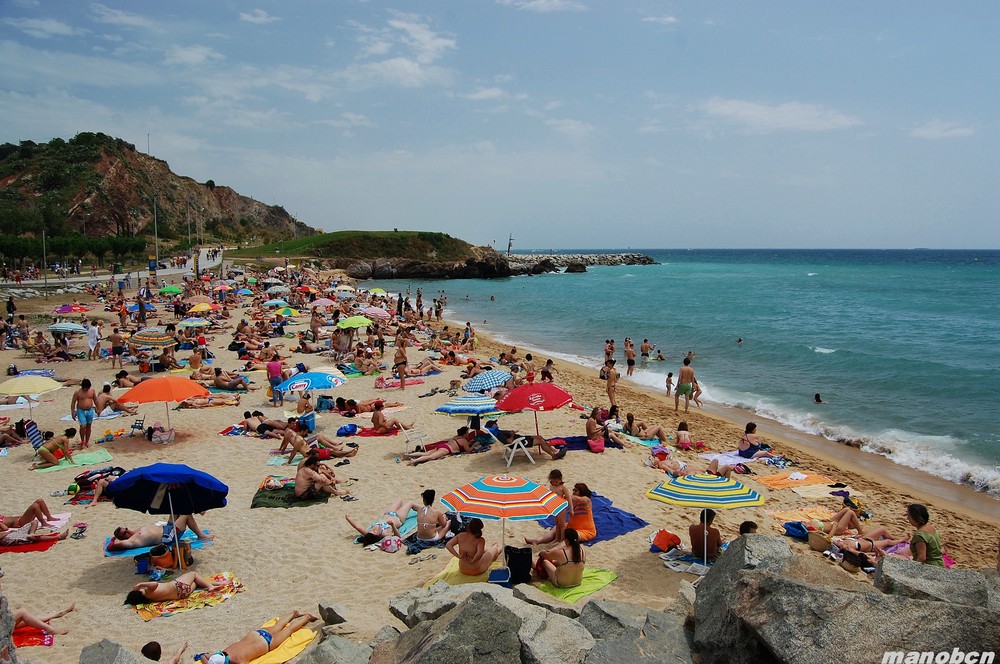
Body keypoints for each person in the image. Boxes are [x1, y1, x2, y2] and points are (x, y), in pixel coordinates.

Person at [195, 611, 320, 664]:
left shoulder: (238, 661)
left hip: (266, 643)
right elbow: (204, 656)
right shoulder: (224, 651)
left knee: (289, 630)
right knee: (278, 626)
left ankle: (307, 617)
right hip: (255, 634)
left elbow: (203, 657)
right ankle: (294, 613)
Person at [108, 515, 211, 551]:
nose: (128, 531)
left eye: (126, 528)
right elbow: (113, 545)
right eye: (125, 533)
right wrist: (115, 539)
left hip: (167, 528)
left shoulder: (135, 532)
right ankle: (201, 535)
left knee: (177, 510)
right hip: (168, 538)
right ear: (123, 538)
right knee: (185, 515)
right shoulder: (132, 541)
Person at [525, 470, 572, 546]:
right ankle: (557, 538)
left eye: (556, 482)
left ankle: (562, 540)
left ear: (560, 480)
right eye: (553, 481)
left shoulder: (563, 487)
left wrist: (572, 509)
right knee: (557, 523)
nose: (554, 483)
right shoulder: (552, 486)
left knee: (562, 524)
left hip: (562, 506)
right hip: (554, 506)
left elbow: (569, 498)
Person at [125, 571, 222, 605]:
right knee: (193, 574)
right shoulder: (147, 591)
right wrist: (141, 584)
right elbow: (154, 584)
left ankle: (217, 584)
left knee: (197, 582)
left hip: (182, 595)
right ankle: (210, 586)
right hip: (178, 585)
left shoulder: (150, 599)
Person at [345, 499, 417, 545]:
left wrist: (348, 518)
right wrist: (392, 525)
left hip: (388, 513)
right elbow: (397, 536)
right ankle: (424, 510)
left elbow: (357, 526)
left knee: (400, 500)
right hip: (398, 518)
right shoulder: (384, 534)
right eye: (374, 531)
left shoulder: (368, 534)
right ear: (377, 535)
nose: (372, 529)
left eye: (371, 530)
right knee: (411, 503)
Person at [404, 427, 474, 466]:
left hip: (443, 445)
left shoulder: (456, 437)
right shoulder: (464, 440)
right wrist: (473, 445)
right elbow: (468, 451)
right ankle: (414, 460)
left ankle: (408, 455)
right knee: (431, 457)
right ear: (464, 433)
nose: (468, 433)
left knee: (426, 453)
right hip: (446, 449)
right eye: (467, 432)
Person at [70, 378, 97, 448]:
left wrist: (98, 408)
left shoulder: (92, 391)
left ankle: (87, 441)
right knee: (83, 426)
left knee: (89, 426)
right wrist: (73, 412)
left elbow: (95, 399)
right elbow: (73, 403)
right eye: (85, 388)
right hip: (81, 410)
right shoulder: (77, 392)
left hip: (90, 410)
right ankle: (82, 440)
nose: (87, 389)